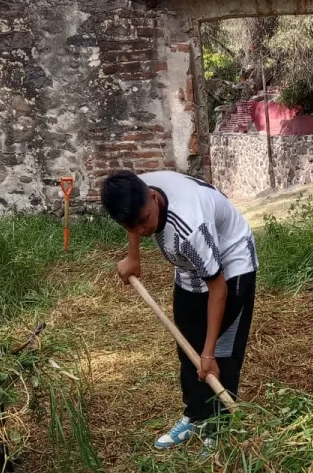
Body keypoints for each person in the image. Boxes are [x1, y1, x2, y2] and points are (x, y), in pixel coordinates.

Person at [100, 169, 257, 450]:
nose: (141, 231)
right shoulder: (135, 191)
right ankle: (195, 414)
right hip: (190, 267)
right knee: (187, 346)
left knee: (221, 352)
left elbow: (218, 288)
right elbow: (134, 220)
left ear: (153, 196)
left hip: (231, 265)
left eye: (144, 221)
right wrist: (133, 257)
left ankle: (218, 424)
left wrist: (208, 353)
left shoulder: (190, 227)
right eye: (130, 226)